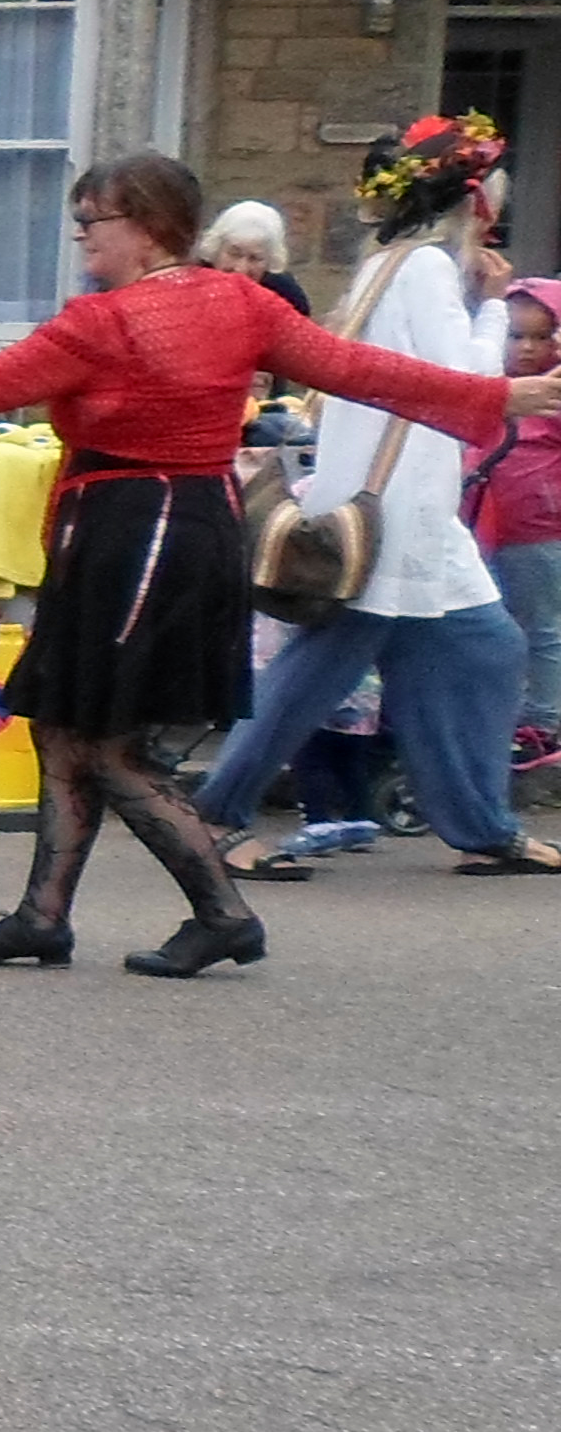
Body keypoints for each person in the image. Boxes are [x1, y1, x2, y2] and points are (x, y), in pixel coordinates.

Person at [0, 150, 558, 972]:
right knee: (64, 728)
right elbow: (362, 372)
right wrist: (495, 397)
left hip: (132, 532)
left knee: (106, 742)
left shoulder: (104, 322)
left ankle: (222, 913)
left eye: (91, 222)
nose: (80, 238)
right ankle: (43, 914)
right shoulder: (235, 302)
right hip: (177, 525)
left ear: (145, 224)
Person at [186, 120, 561, 882]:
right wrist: (492, 308)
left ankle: (480, 824)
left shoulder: (390, 263)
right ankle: (212, 816)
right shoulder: (423, 269)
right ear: (470, 204)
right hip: (393, 512)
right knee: (325, 671)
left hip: (394, 506)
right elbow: (466, 383)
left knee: (483, 650)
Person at [474, 278, 561, 761]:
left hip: (539, 529)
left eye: (541, 336)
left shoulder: (554, 390)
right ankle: (504, 712)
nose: (527, 348)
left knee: (541, 626)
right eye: (515, 335)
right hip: (482, 521)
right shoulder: (488, 383)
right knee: (496, 625)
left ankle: (544, 721)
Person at [195, 201, 318, 320]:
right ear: (216, 249)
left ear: (269, 262)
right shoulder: (193, 282)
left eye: (255, 258)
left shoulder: (286, 296)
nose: (241, 269)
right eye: (234, 254)